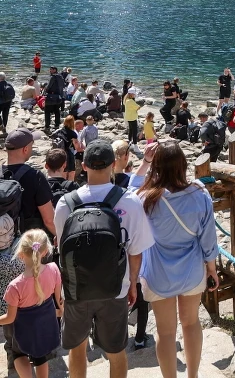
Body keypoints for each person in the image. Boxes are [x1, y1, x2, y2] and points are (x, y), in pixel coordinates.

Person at [55, 140, 154, 378]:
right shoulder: (130, 202)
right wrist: (132, 283)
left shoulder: (65, 204)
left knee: (77, 349)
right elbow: (136, 251)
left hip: (76, 290)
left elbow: (62, 248)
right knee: (117, 351)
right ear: (113, 165)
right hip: (115, 289)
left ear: (84, 166)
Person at [137, 141, 219, 375]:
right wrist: (211, 268)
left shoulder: (146, 198)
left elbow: (128, 188)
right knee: (191, 322)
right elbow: (208, 238)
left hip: (158, 272)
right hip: (192, 269)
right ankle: (192, 375)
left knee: (165, 332)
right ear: (184, 165)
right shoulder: (200, 194)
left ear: (157, 167)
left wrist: (145, 163)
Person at [0, 229, 63, 378]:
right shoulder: (54, 269)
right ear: (46, 250)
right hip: (46, 324)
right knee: (40, 355)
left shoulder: (14, 286)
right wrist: (60, 312)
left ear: (20, 254)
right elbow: (59, 300)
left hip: (25, 329)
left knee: (18, 353)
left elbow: (9, 318)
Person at [0, 129, 57, 256]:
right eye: (31, 145)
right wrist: (60, 237)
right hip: (29, 251)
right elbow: (49, 220)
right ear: (25, 149)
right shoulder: (35, 177)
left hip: (0, 253)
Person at [43, 66, 67, 133]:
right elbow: (64, 85)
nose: (50, 71)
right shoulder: (61, 77)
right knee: (57, 111)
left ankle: (47, 127)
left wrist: (45, 89)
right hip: (58, 97)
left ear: (54, 70)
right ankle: (57, 125)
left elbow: (48, 87)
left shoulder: (53, 77)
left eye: (51, 69)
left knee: (47, 112)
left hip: (51, 97)